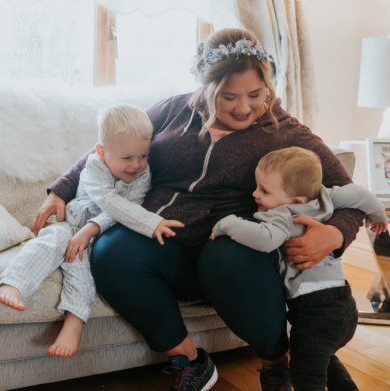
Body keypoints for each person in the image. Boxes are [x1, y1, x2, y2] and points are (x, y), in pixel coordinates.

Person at [35, 28, 365, 391]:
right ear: (206, 88)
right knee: (112, 251)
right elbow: (112, 144)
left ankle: (276, 365)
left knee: (227, 255)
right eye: (229, 97)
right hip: (166, 243)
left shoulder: (285, 130)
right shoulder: (175, 108)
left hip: (232, 258)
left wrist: (335, 234)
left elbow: (348, 193)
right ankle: (191, 361)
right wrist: (61, 189)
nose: (244, 107)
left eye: (256, 95)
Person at [0, 104, 184, 357]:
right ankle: (13, 283)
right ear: (102, 151)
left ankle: (74, 323)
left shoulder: (143, 174)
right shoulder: (95, 167)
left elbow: (127, 209)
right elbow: (110, 201)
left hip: (102, 235)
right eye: (127, 158)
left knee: (81, 268)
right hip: (72, 225)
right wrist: (151, 223)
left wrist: (91, 231)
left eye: (144, 156)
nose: (137, 165)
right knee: (49, 241)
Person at [210, 146, 387, 390]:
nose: (255, 194)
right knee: (323, 359)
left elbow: (265, 239)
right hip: (344, 305)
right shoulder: (326, 196)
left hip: (313, 312)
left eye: (264, 190)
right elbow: (361, 195)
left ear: (296, 201)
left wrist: (227, 224)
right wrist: (378, 216)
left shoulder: (282, 214)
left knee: (306, 377)